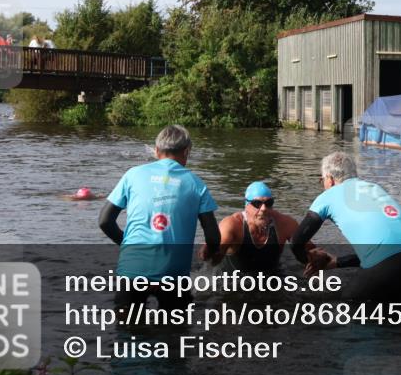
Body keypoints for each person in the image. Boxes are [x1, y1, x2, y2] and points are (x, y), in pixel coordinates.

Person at [98, 125, 221, 310]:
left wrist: (127, 245)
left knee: (127, 329)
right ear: (187, 151)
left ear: (156, 150)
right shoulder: (196, 183)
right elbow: (213, 237)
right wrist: (210, 254)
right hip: (173, 273)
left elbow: (105, 221)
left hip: (133, 270)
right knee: (175, 332)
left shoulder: (132, 175)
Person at [289, 152, 401, 302]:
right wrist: (337, 262)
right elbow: (382, 250)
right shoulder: (374, 188)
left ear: (329, 179)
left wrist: (310, 262)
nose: (323, 185)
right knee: (400, 308)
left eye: (321, 180)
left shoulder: (327, 197)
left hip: (389, 263)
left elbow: (296, 242)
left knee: (350, 306)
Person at [210, 181, 312, 274]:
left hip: (272, 279)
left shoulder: (284, 223)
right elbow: (213, 253)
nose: (263, 209)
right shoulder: (232, 224)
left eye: (268, 203)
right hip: (234, 281)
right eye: (257, 204)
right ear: (247, 205)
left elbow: (312, 252)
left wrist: (315, 258)